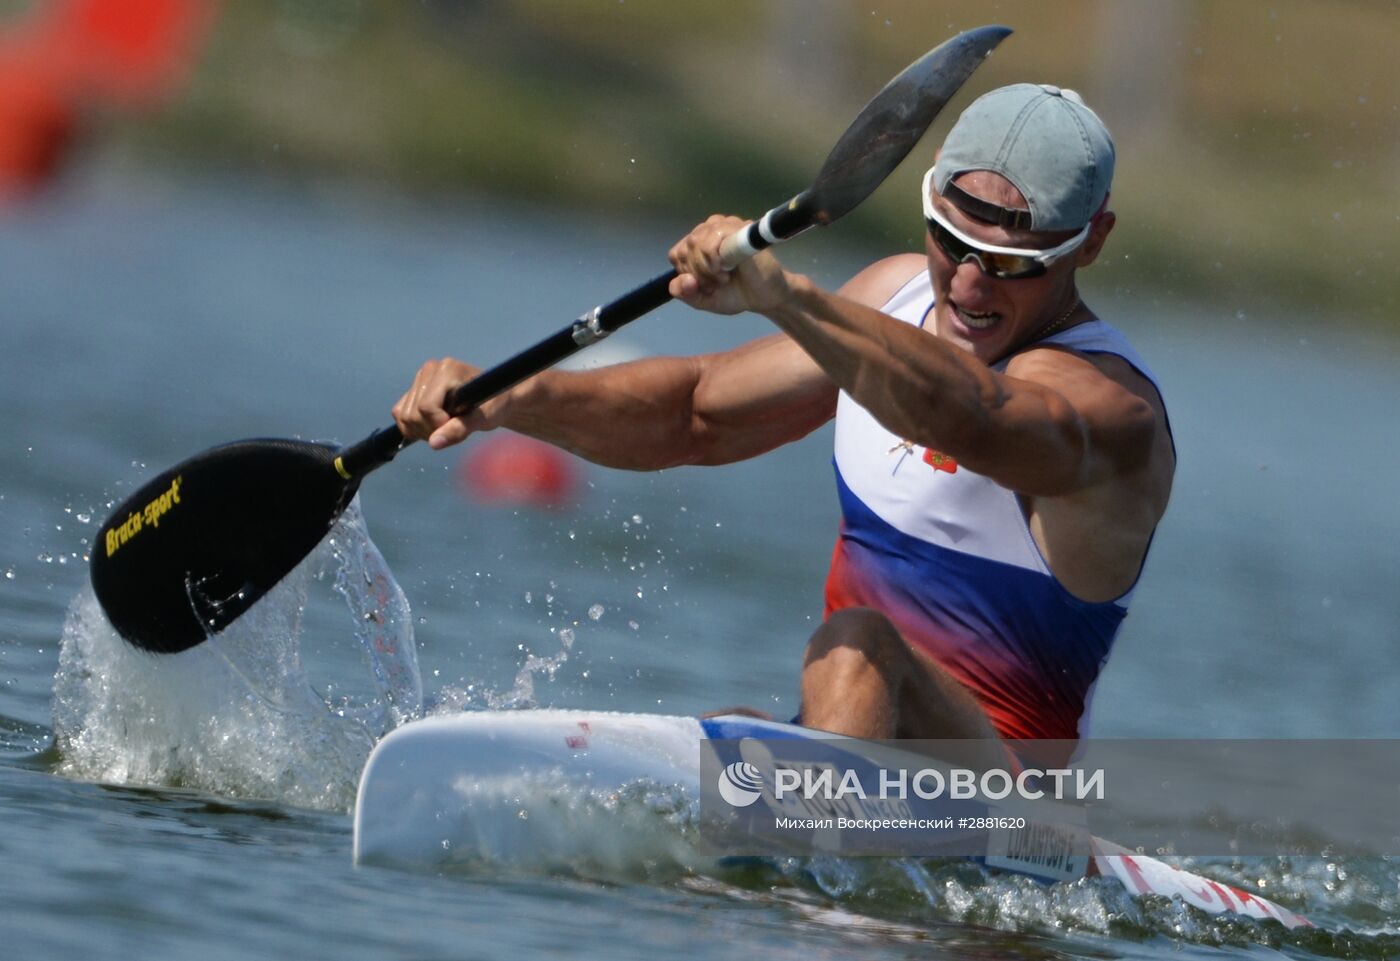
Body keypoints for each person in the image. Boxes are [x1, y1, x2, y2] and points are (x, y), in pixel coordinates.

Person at [393, 84, 1174, 762]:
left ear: (1092, 241)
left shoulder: (1111, 409)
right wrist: (515, 397)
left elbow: (976, 414)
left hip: (1000, 799)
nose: (967, 286)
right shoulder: (890, 300)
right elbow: (694, 414)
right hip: (850, 750)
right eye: (949, 241)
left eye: (1009, 264)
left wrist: (789, 300)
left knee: (858, 644)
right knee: (726, 729)